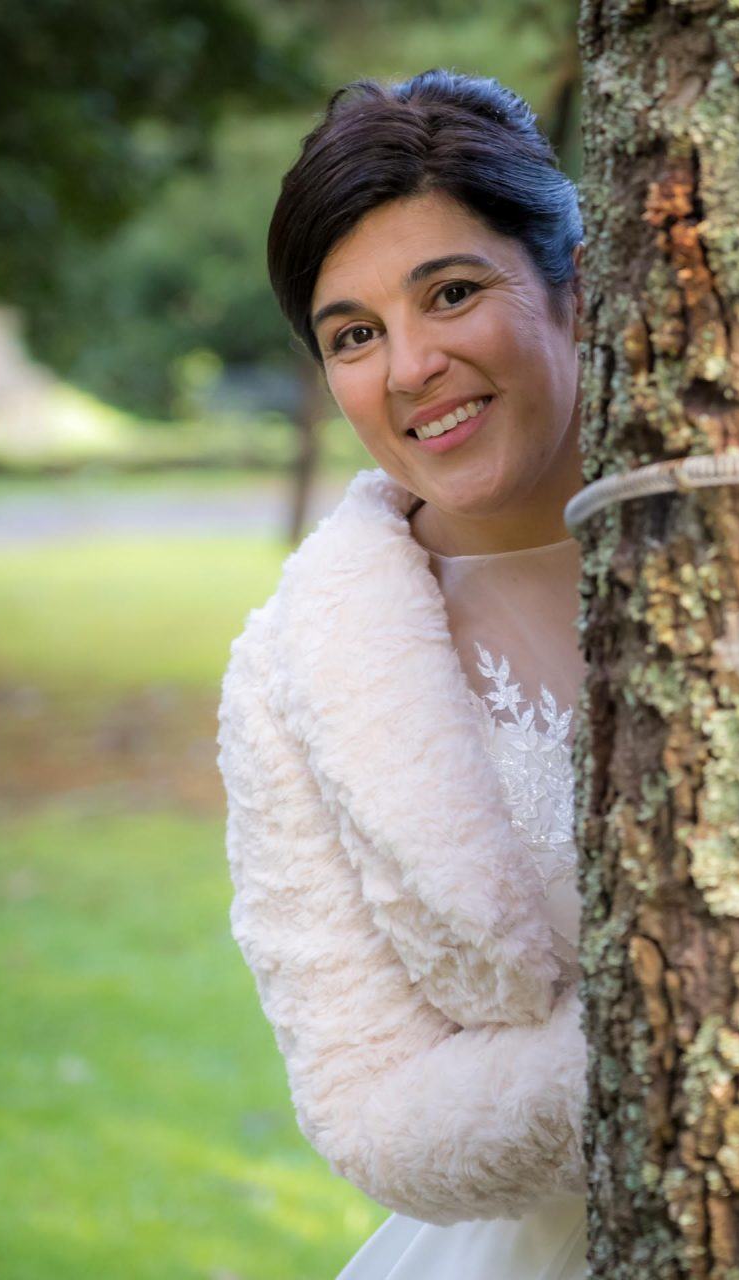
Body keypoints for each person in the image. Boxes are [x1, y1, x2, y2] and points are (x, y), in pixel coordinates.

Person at [216, 68, 591, 1278]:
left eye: (452, 291)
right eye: (356, 334)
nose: (413, 364)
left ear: (571, 288)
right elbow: (366, 1096)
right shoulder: (298, 670)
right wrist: (658, 1049)